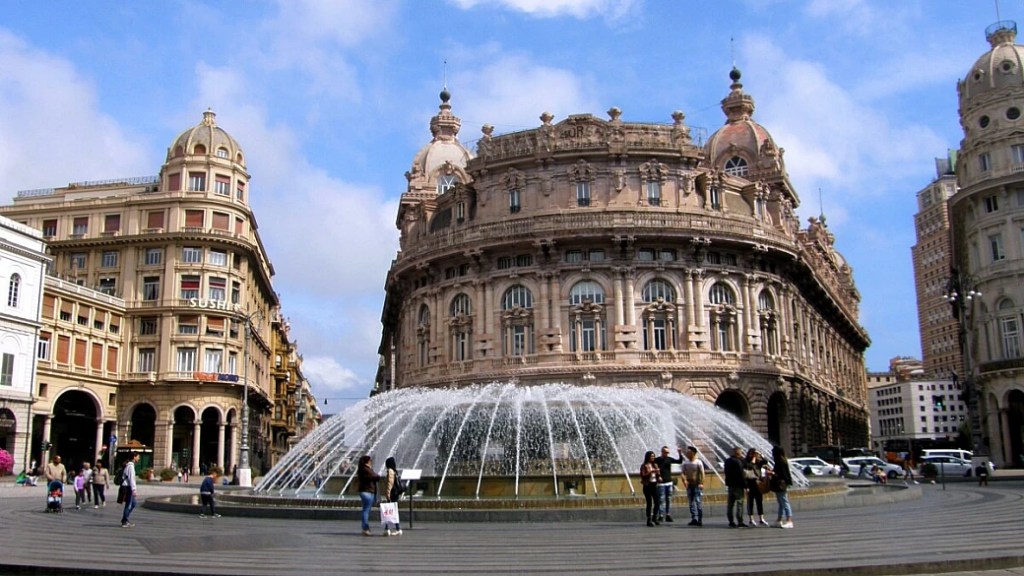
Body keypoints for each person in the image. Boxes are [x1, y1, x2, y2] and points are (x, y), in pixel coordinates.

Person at [653, 446, 683, 522]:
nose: (667, 454)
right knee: (661, 499)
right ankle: (661, 515)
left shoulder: (669, 459)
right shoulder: (657, 460)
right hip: (661, 484)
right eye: (665, 452)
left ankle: (668, 515)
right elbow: (653, 467)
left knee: (668, 499)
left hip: (669, 482)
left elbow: (679, 461)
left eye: (668, 452)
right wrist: (657, 476)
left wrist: (680, 453)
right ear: (662, 452)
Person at [770, 445, 794, 529]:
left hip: (780, 484)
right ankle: (779, 520)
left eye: (773, 452)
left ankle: (789, 520)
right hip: (780, 484)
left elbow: (782, 475)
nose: (772, 453)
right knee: (781, 502)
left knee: (784, 502)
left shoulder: (780, 461)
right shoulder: (782, 460)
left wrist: (772, 473)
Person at [680, 445, 705, 526]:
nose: (687, 453)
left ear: (693, 453)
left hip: (697, 485)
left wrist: (701, 483)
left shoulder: (698, 462)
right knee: (691, 502)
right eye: (687, 452)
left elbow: (702, 473)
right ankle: (694, 518)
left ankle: (700, 519)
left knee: (698, 502)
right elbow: (682, 473)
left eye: (689, 452)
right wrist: (684, 481)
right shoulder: (685, 462)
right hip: (689, 485)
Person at [356, 455, 380, 536]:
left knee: (365, 510)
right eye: (370, 461)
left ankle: (365, 528)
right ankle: (365, 529)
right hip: (368, 492)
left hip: (364, 491)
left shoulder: (361, 469)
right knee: (366, 510)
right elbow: (376, 477)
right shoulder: (366, 469)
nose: (371, 462)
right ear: (367, 462)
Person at [744, 448, 769, 526]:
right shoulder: (746, 461)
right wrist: (753, 459)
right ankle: (751, 520)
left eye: (756, 454)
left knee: (759, 501)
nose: (756, 455)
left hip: (758, 484)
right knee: (750, 502)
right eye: (754, 454)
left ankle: (761, 519)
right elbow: (749, 467)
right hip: (750, 484)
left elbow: (766, 461)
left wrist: (761, 455)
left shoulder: (758, 462)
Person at [724, 446, 747, 527]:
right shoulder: (738, 462)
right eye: (741, 453)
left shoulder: (727, 461)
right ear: (739, 453)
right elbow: (741, 473)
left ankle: (731, 521)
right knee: (740, 503)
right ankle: (740, 521)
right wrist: (745, 485)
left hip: (730, 485)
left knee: (730, 504)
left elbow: (726, 472)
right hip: (738, 485)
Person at [381, 457, 403, 536]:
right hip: (395, 494)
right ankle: (395, 529)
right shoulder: (395, 471)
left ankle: (389, 529)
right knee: (392, 511)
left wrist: (388, 494)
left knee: (388, 511)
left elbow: (390, 483)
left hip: (392, 494)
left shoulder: (390, 471)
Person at [640, 450, 661, 527]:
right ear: (648, 457)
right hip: (647, 485)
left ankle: (655, 517)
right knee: (649, 503)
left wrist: (659, 476)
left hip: (654, 485)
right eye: (652, 456)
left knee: (657, 502)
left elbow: (658, 474)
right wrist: (650, 472)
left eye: (654, 456)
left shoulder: (655, 465)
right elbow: (643, 475)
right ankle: (649, 519)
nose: (653, 457)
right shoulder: (644, 465)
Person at [120, 452, 139, 528]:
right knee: (129, 504)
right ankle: (124, 521)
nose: (139, 458)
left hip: (127, 486)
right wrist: (134, 489)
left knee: (133, 503)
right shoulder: (130, 466)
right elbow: (131, 479)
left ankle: (125, 519)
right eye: (138, 457)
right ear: (134, 457)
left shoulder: (129, 465)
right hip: (128, 487)